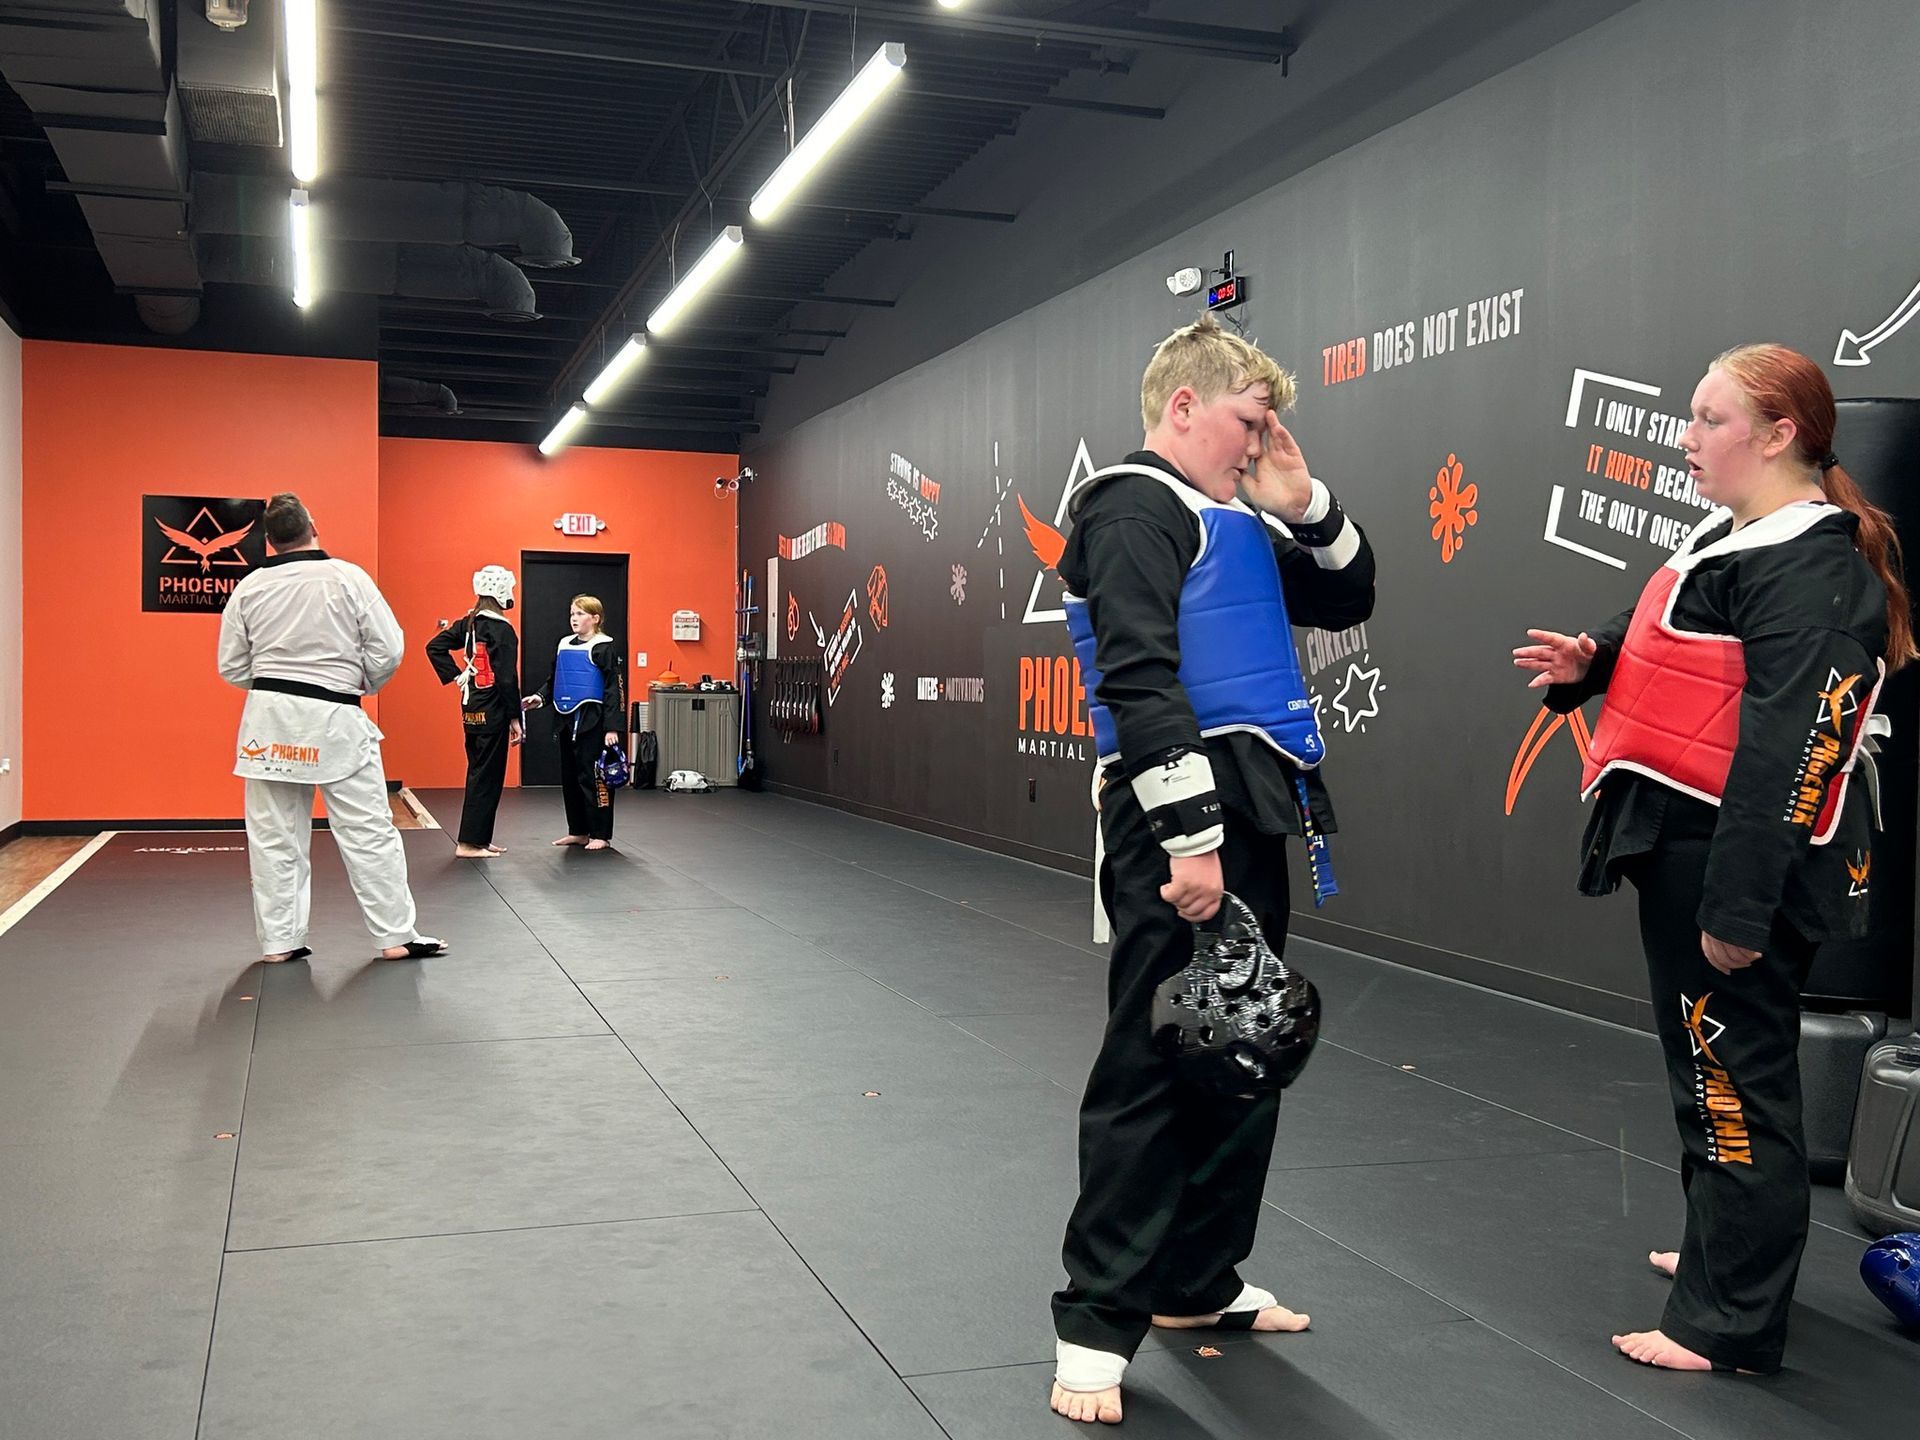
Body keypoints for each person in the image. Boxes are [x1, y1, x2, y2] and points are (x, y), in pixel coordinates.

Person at [1515, 343, 1912, 1374]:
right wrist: (1588, 664)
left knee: (1735, 1081)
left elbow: (1792, 749)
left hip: (1733, 865)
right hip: (1683, 844)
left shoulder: (1816, 565)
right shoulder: (1735, 537)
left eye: (1708, 420)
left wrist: (1740, 909)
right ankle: (1723, 1253)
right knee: (1707, 1074)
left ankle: (1728, 1321)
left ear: (1781, 433)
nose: (1685, 440)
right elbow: (1668, 639)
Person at [1049, 315, 1376, 1424]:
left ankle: (1198, 1283)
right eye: (1248, 419)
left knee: (1242, 1045)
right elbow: (1140, 675)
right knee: (1151, 1063)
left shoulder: (1231, 515)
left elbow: (1347, 592)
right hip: (1181, 819)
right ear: (1184, 406)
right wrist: (1192, 843)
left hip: (1258, 797)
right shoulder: (1134, 506)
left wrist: (1303, 499)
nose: (1259, 439)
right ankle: (1095, 1325)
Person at [217, 493, 446, 963]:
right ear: (313, 526)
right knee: (367, 831)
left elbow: (231, 665)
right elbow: (389, 649)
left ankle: (280, 943)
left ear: (269, 540)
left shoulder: (250, 586)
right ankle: (395, 936)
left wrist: (272, 685)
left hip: (269, 722)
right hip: (335, 716)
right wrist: (360, 682)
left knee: (274, 837)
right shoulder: (348, 577)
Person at [425, 565, 524, 859]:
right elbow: (507, 678)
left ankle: (479, 838)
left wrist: (456, 675)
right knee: (486, 776)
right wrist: (515, 716)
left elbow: (435, 647)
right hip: (493, 709)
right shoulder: (502, 630)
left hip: (472, 708)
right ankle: (469, 843)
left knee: (480, 772)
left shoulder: (469, 623)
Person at [521, 594, 625, 851]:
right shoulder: (564, 644)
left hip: (593, 723)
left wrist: (612, 727)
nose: (574, 619)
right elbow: (555, 678)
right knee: (570, 779)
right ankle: (578, 830)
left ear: (595, 618)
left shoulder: (604, 647)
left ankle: (600, 833)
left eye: (580, 614)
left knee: (595, 778)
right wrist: (540, 697)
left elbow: (614, 689)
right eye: (572, 614)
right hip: (566, 721)